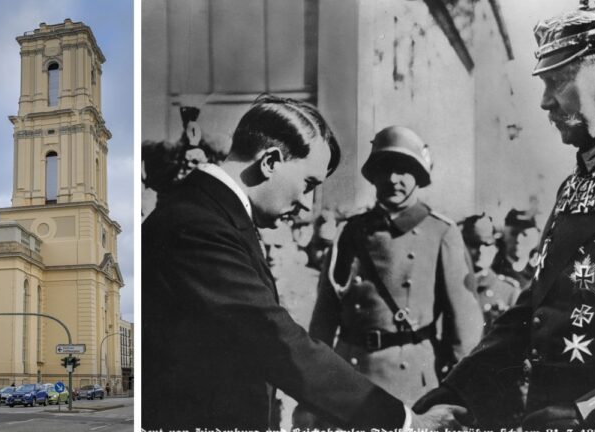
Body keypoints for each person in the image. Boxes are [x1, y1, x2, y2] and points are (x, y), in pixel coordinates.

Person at [414, 3, 595, 430]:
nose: (544, 102)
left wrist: (591, 413)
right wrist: (459, 388)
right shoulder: (580, 179)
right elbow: (536, 306)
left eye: (558, 80)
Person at [142, 95, 468, 430]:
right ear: (270, 161)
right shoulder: (199, 226)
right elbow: (274, 340)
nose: (306, 204)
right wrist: (407, 422)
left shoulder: (210, 214)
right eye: (308, 184)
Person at [294, 126, 484, 427]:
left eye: (404, 170)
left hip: (413, 387)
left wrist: (460, 395)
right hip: (351, 378)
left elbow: (465, 329)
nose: (394, 179)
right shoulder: (350, 231)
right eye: (385, 169)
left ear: (419, 176)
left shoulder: (442, 232)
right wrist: (309, 395)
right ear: (373, 175)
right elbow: (324, 318)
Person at [460, 213, 521, 331]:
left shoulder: (508, 291)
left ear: (496, 248)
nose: (481, 250)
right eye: (474, 244)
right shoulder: (451, 285)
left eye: (487, 244)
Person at [491, 209, 540, 290]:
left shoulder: (540, 268)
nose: (518, 239)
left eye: (525, 234)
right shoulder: (494, 267)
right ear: (504, 235)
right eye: (513, 233)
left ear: (536, 238)